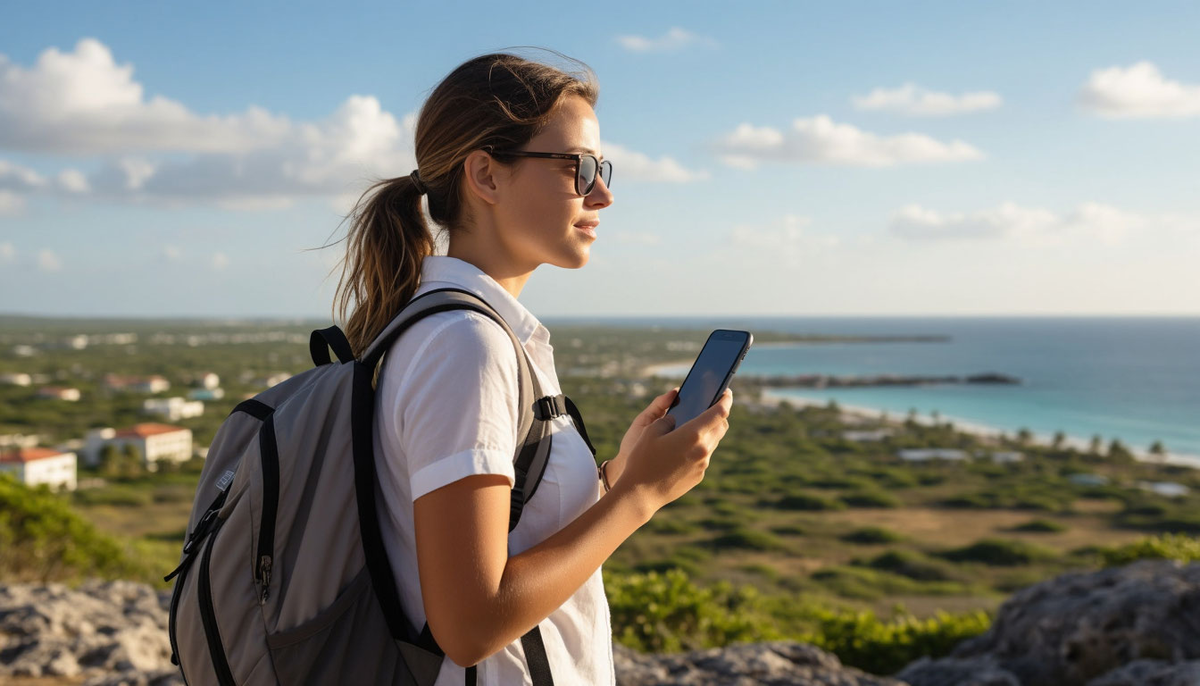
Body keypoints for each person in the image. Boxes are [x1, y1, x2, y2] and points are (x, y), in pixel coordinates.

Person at [331, 50, 734, 686]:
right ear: (485, 176)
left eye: (603, 167)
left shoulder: (453, 332)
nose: (602, 192)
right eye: (578, 168)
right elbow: (469, 624)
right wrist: (640, 497)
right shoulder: (466, 346)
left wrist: (614, 478)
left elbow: (508, 533)